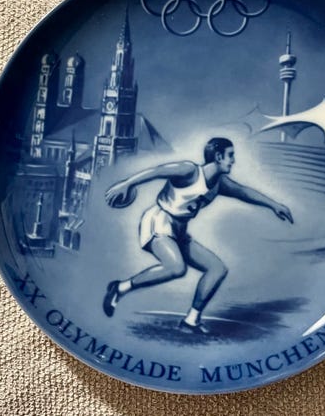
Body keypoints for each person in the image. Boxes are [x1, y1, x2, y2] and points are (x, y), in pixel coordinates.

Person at [103, 137, 293, 334]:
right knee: (176, 268)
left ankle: (191, 321)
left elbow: (244, 192)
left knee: (217, 269)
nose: (233, 160)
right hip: (159, 221)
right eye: (230, 155)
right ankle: (121, 287)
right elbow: (157, 171)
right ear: (218, 157)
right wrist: (127, 183)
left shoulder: (220, 184)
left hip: (180, 230)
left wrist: (274, 205)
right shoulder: (189, 171)